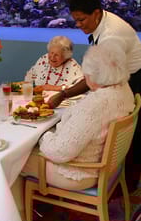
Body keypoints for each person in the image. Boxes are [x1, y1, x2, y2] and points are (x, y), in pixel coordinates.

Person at [48, 0, 141, 192]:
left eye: (82, 19)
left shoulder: (112, 37)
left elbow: (96, 78)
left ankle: (128, 184)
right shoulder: (101, 23)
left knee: (137, 131)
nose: (78, 25)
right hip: (127, 72)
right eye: (75, 20)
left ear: (97, 13)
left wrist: (64, 94)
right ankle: (116, 174)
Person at [22, 40, 135, 190]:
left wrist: (43, 136)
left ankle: (16, 211)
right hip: (104, 164)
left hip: (79, 172)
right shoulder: (124, 89)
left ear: (93, 76)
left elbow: (59, 152)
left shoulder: (96, 104)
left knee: (15, 159)